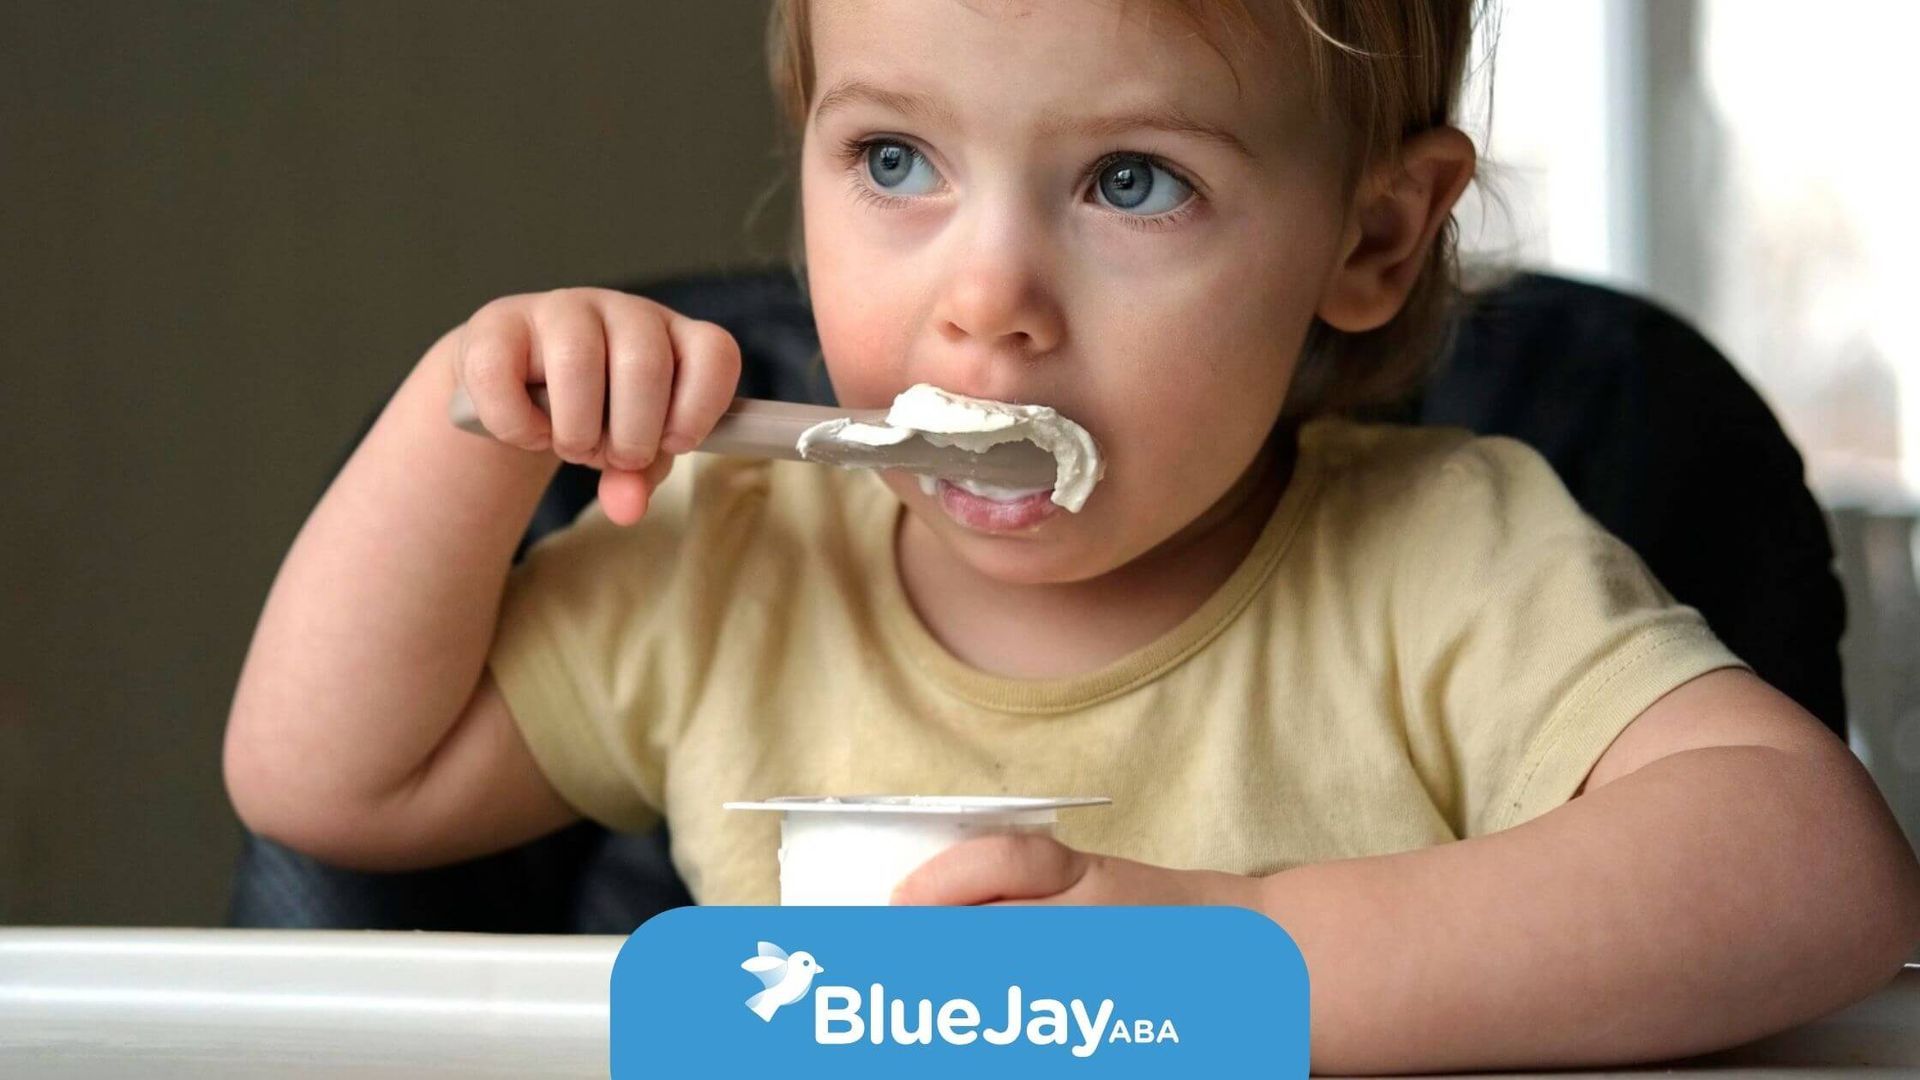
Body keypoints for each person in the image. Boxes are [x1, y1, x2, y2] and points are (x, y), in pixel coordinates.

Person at [224, 1, 1920, 1072]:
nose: (986, 307)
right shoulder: (731, 559)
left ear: (1375, 237)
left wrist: (1236, 970)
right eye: (894, 158)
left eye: (1131, 183)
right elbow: (333, 785)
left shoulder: (1448, 570)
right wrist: (463, 415)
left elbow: (1815, 876)